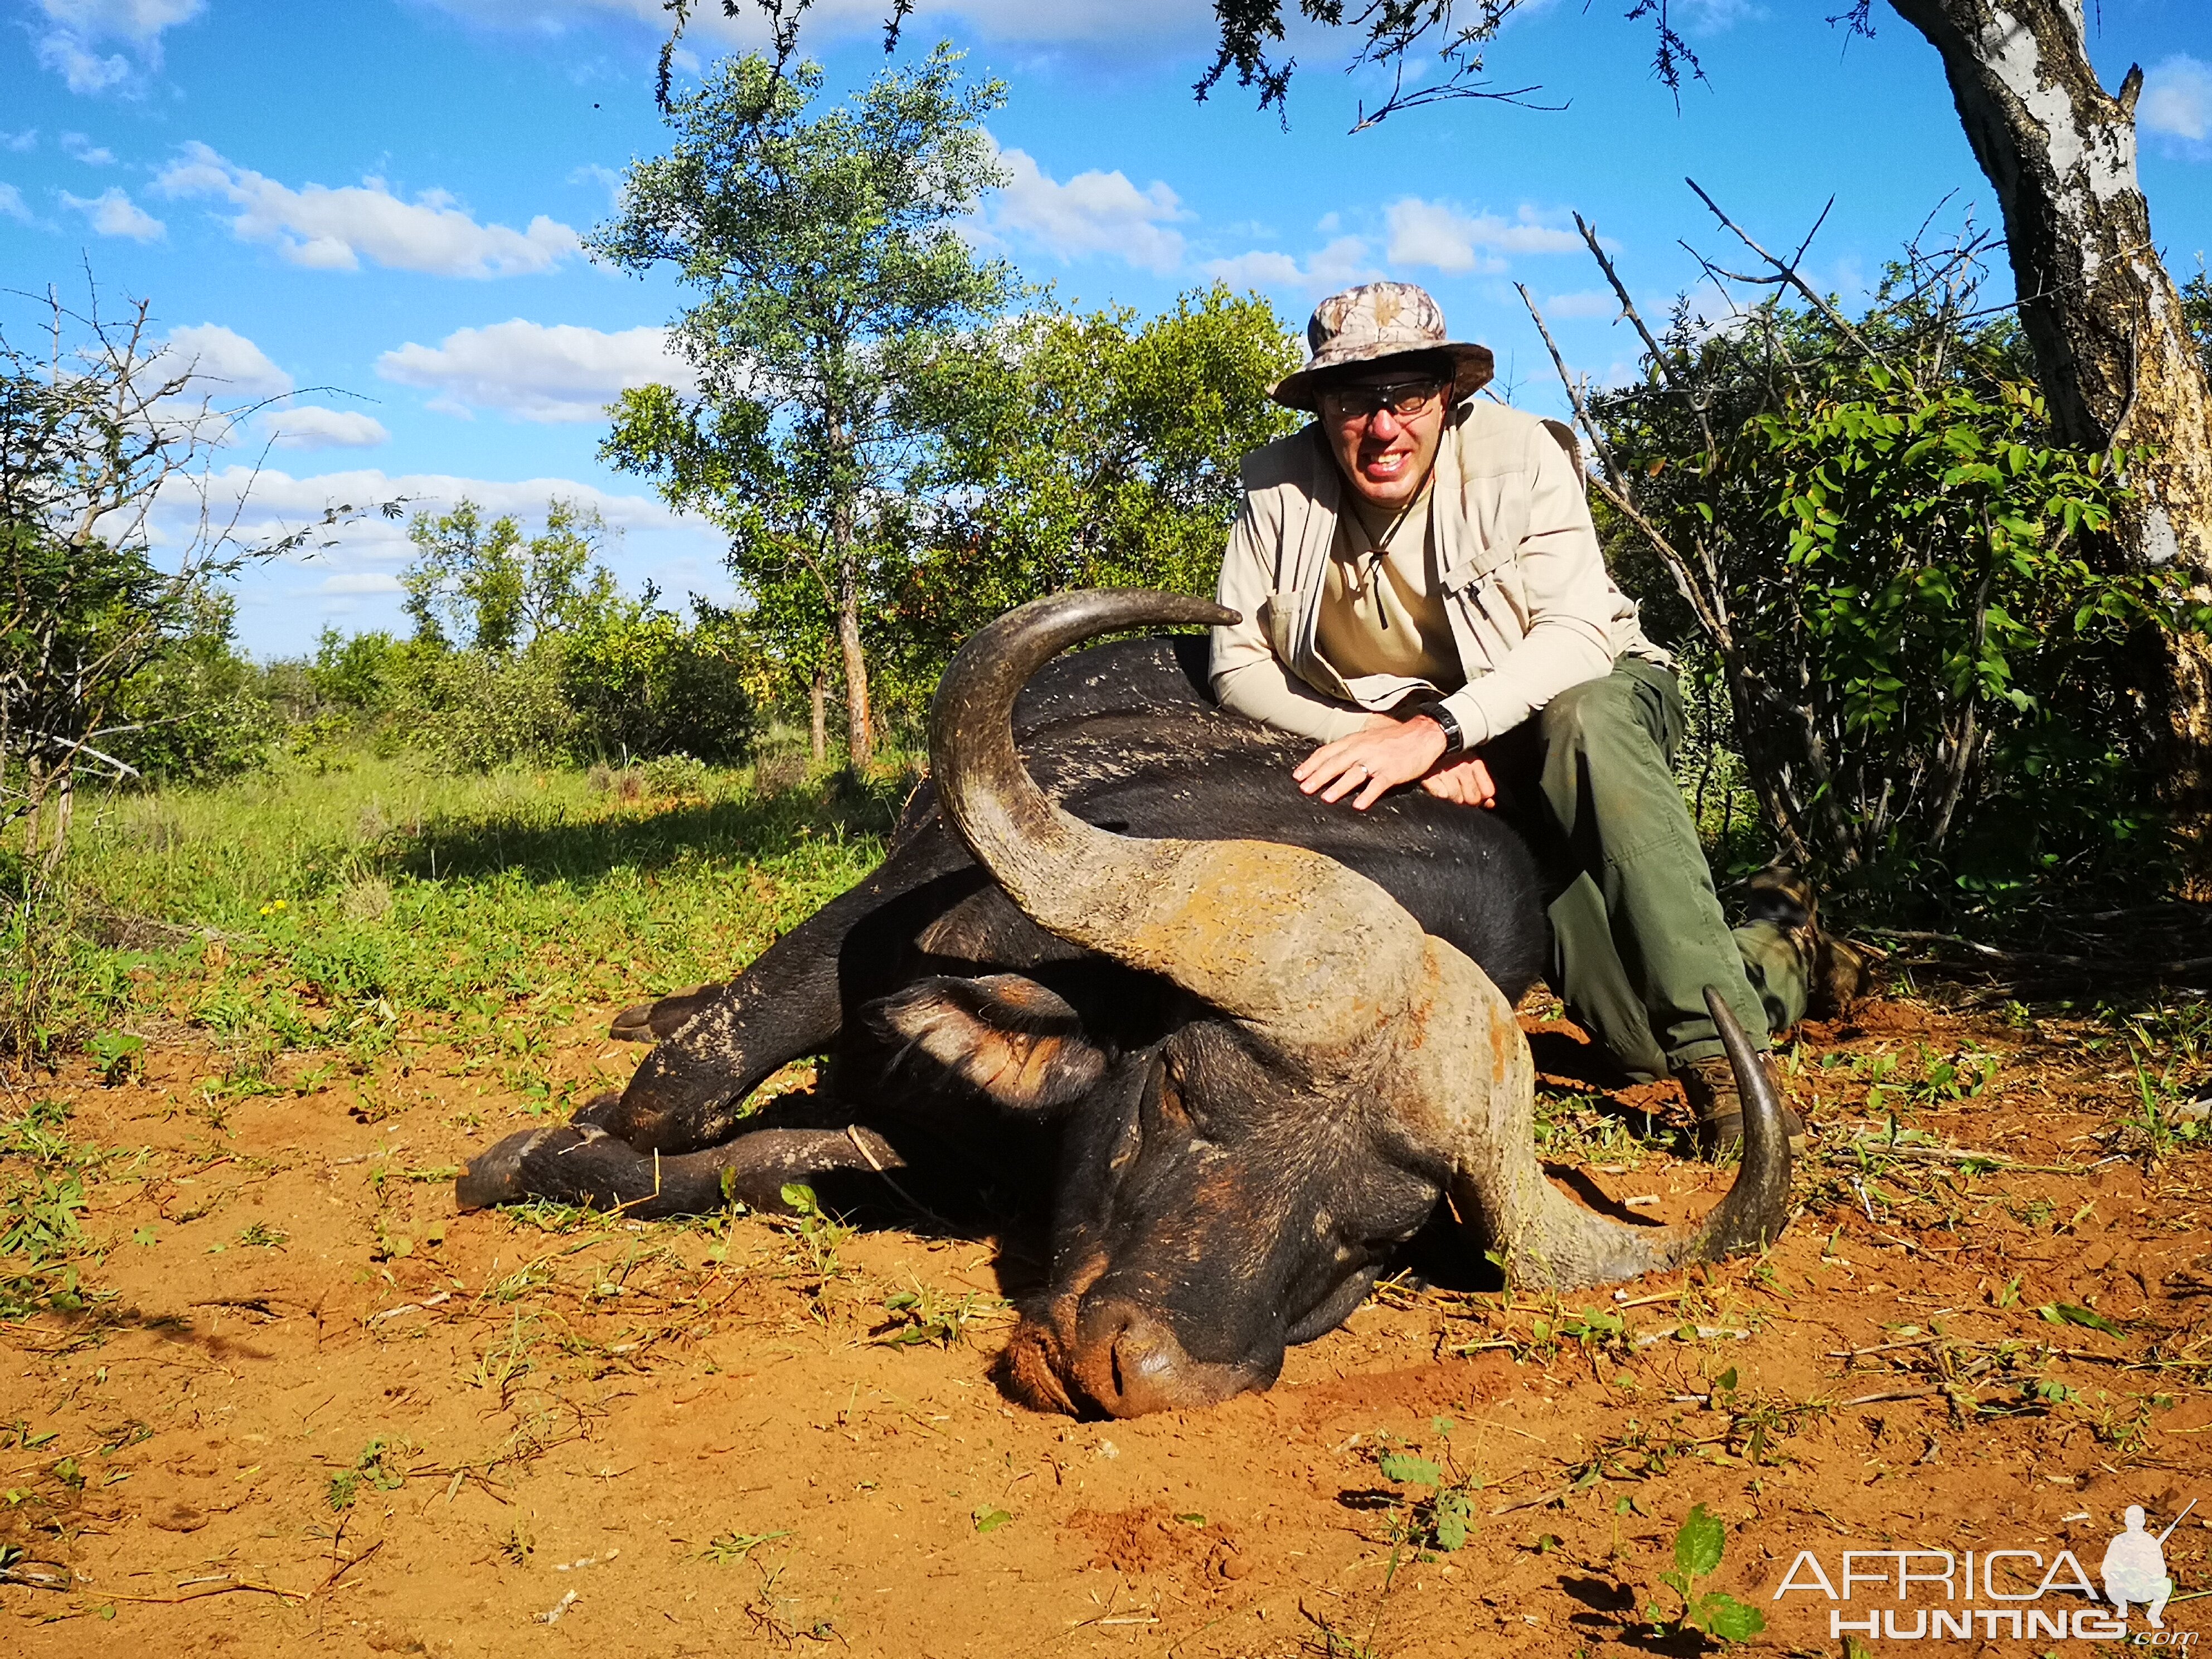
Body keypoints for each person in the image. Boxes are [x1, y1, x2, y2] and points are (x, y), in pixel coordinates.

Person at [1210, 280, 1857, 1153]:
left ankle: (1726, 1066)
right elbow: (1235, 667)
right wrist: (1384, 739)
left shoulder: (1523, 455)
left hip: (1584, 706)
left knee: (1583, 721)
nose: (1383, 426)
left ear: (1447, 396)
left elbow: (1578, 635)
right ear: (1321, 406)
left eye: (1405, 396)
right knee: (1634, 1047)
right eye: (1353, 400)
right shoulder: (1275, 487)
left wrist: (1438, 732)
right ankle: (1790, 944)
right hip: (1441, 752)